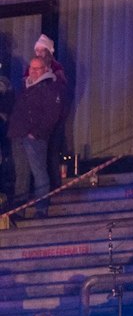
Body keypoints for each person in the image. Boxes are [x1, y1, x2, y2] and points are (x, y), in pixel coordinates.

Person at [8, 43, 68, 217]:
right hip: (18, 135)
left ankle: (41, 208)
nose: (33, 72)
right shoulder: (25, 86)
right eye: (31, 68)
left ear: (45, 69)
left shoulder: (50, 87)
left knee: (39, 172)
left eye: (37, 69)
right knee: (21, 174)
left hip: (34, 137)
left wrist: (36, 133)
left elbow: (52, 115)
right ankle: (20, 209)